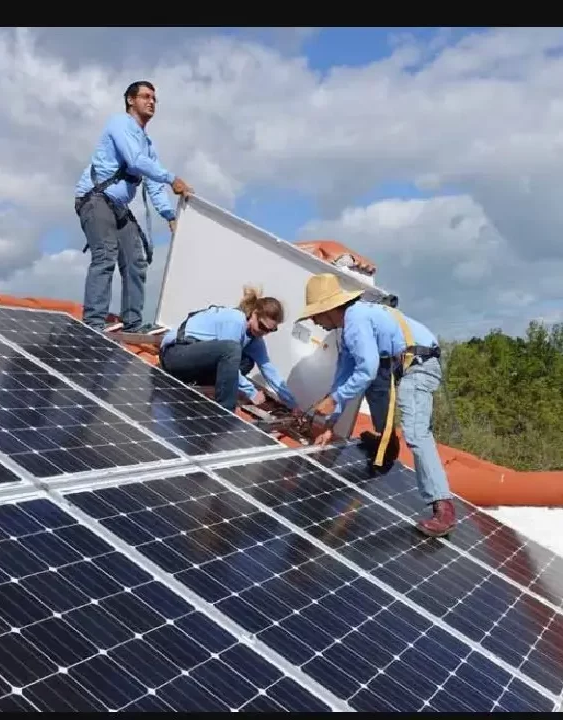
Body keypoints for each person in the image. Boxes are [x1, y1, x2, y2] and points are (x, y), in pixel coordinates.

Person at [297, 273, 456, 538]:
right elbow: (344, 377)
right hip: (402, 363)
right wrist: (330, 423)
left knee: (416, 433)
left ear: (329, 309)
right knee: (368, 384)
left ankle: (443, 507)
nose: (313, 320)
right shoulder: (347, 330)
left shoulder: (356, 320)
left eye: (315, 314)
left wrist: (333, 400)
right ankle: (386, 442)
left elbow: (367, 371)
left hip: (420, 364)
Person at [74, 80, 194, 333]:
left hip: (118, 206)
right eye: (145, 97)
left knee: (135, 261)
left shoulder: (148, 144)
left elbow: (152, 183)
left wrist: (169, 215)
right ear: (130, 100)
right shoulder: (120, 124)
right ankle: (93, 323)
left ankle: (133, 324)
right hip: (96, 199)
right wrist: (173, 178)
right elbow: (135, 161)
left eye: (154, 99)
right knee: (105, 255)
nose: (151, 102)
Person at [159, 286, 300, 413]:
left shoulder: (254, 338)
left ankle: (206, 387)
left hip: (193, 364)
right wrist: (252, 393)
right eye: (262, 326)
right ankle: (225, 411)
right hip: (174, 355)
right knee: (232, 351)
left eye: (270, 330)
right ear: (254, 313)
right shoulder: (235, 320)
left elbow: (268, 368)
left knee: (246, 362)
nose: (264, 332)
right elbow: (229, 357)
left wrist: (292, 404)